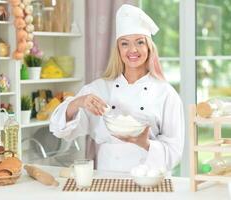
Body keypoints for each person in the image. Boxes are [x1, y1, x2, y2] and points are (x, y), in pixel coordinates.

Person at [50, 4, 184, 172]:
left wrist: (145, 143)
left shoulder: (166, 93)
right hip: (108, 176)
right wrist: (78, 102)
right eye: (125, 43)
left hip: (150, 177)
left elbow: (175, 151)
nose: (132, 50)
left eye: (140, 42)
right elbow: (57, 129)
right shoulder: (99, 89)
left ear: (149, 47)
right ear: (118, 49)